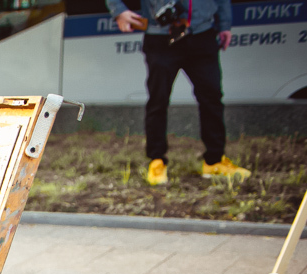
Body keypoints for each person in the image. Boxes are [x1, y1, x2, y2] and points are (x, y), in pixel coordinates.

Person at [106, 0, 251, 185]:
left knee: (212, 98)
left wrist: (224, 24)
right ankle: (157, 160)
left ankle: (215, 161)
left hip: (202, 34)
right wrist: (119, 11)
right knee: (158, 100)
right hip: (161, 35)